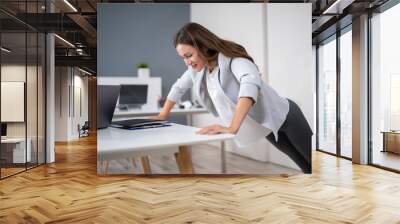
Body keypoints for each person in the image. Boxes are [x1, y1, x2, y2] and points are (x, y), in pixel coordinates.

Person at [155, 22, 312, 173]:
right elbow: (179, 87)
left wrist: (232, 127)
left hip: (287, 115)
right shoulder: (198, 70)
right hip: (266, 125)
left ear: (202, 46)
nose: (187, 62)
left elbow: (249, 84)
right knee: (304, 166)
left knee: (313, 163)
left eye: (189, 55)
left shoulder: (233, 60)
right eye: (183, 57)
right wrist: (163, 114)